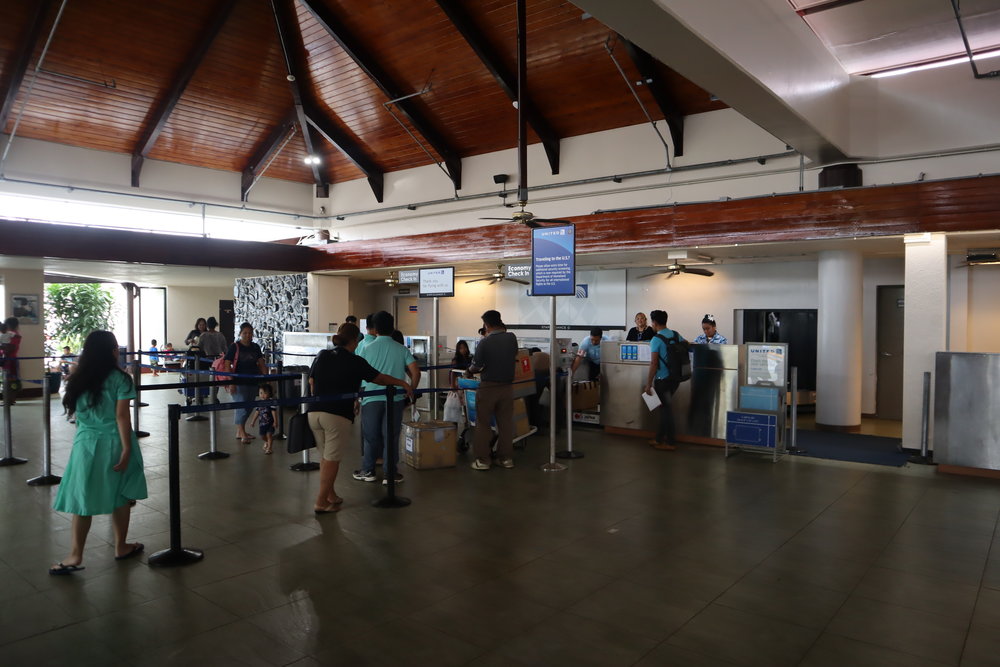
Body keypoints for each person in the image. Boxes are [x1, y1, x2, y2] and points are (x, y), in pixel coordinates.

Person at [49, 330, 148, 575]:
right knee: (121, 495)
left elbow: (78, 416)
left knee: (83, 498)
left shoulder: (78, 378)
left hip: (85, 443)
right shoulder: (121, 379)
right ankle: (121, 546)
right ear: (113, 351)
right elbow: (121, 416)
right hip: (115, 442)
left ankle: (75, 555)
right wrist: (127, 448)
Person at [309, 323, 413, 513]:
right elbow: (380, 379)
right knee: (332, 459)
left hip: (314, 412)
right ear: (355, 341)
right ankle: (321, 501)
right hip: (336, 415)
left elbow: (311, 380)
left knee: (325, 457)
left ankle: (330, 494)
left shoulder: (322, 355)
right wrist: (402, 383)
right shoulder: (355, 361)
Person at [354, 311, 420, 485]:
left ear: (375, 329)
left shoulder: (366, 348)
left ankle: (368, 471)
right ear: (392, 328)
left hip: (370, 397)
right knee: (391, 436)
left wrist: (356, 398)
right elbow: (415, 372)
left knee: (370, 436)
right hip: (395, 399)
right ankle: (390, 473)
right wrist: (410, 390)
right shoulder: (401, 349)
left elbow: (357, 374)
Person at [465, 310, 518, 470]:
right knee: (505, 424)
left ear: (486, 325)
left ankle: (483, 460)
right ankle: (505, 458)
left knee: (483, 424)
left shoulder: (485, 343)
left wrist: (468, 372)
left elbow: (476, 366)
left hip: (489, 387)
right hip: (507, 387)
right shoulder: (512, 338)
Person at [644, 309, 685, 451]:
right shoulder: (676, 334)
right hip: (676, 379)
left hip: (663, 380)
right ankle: (658, 438)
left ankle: (671, 442)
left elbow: (654, 363)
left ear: (654, 323)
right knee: (664, 408)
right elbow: (686, 345)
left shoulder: (656, 340)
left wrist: (648, 384)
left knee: (666, 410)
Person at [223, 322, 269, 443]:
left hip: (253, 381)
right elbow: (227, 364)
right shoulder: (235, 347)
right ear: (240, 334)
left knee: (249, 406)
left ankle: (240, 431)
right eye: (245, 333)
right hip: (238, 382)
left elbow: (261, 363)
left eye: (250, 333)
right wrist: (231, 381)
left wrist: (266, 378)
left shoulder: (255, 347)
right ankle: (242, 432)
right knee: (242, 407)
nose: (248, 335)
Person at [199, 316, 229, 404]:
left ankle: (203, 394)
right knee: (216, 378)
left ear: (207, 325)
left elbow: (199, 347)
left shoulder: (203, 335)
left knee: (205, 377)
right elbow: (225, 348)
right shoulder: (220, 335)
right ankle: (214, 396)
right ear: (215, 325)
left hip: (206, 359)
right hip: (218, 360)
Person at [249, 383, 277, 455]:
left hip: (270, 423)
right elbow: (257, 412)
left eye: (265, 393)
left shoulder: (271, 402)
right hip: (262, 424)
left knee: (269, 435)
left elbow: (274, 412)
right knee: (262, 436)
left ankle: (269, 448)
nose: (262, 395)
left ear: (269, 393)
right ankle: (268, 441)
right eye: (261, 393)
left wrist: (275, 421)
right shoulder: (259, 403)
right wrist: (253, 421)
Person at [1, 317, 22, 404]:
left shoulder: (15, 335)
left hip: (11, 361)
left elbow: (11, 348)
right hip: (6, 360)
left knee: (12, 381)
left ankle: (10, 399)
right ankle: (8, 399)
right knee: (6, 380)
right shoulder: (6, 335)